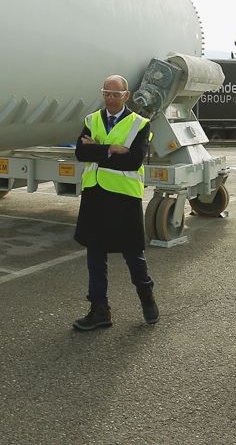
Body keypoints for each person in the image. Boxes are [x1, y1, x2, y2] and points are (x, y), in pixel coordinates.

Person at [72, 75, 157, 331]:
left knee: (133, 254)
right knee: (95, 255)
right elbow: (80, 152)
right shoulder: (91, 120)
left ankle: (147, 298)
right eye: (106, 93)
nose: (110, 98)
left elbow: (133, 161)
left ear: (126, 96)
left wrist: (98, 149)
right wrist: (111, 149)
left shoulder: (140, 124)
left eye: (116, 94)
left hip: (124, 197)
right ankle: (99, 310)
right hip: (95, 195)